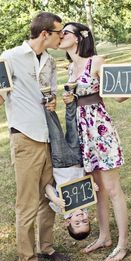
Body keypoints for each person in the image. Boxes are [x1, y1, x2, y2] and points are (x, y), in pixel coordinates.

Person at [0, 12, 70, 261]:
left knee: (49, 197)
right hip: (25, 137)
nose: (62, 37)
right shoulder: (10, 57)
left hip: (48, 136)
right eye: (59, 33)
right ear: (45, 33)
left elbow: (50, 95)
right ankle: (28, 260)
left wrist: (53, 102)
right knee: (28, 202)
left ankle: (46, 247)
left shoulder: (50, 62)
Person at [59, 22, 131, 261]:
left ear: (78, 38)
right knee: (97, 191)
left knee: (112, 189)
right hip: (82, 134)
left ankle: (122, 244)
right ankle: (104, 237)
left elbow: (117, 95)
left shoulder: (96, 62)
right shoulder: (69, 68)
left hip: (99, 131)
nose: (60, 35)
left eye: (64, 32)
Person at [42, 83, 97, 241]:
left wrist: (55, 198)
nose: (81, 217)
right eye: (85, 221)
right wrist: (92, 184)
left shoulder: (62, 208)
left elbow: (47, 187)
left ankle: (48, 101)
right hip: (78, 159)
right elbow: (86, 176)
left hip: (62, 163)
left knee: (56, 132)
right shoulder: (87, 201)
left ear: (67, 223)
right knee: (73, 127)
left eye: (77, 222)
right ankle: (70, 97)